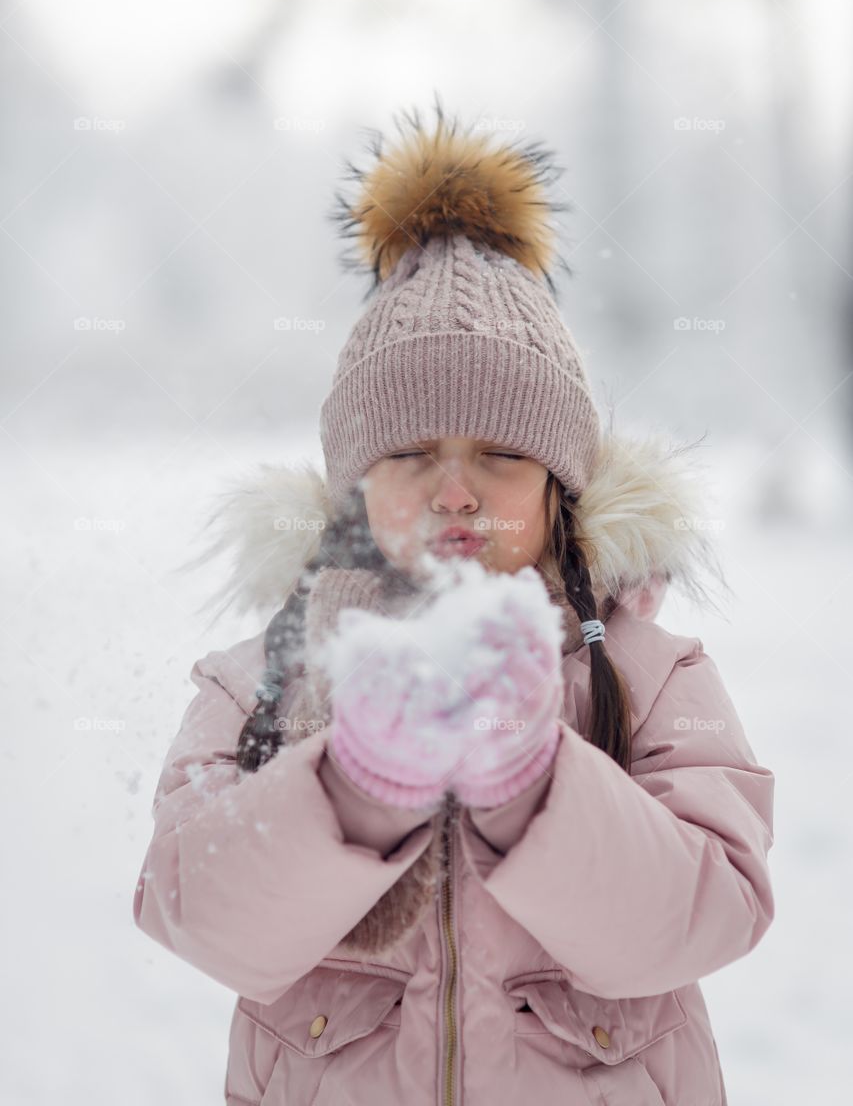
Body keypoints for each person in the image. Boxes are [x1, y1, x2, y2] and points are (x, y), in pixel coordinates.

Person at [133, 102, 774, 1105]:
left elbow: (708, 911)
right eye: (412, 453)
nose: (456, 490)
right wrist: (355, 785)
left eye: (502, 455)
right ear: (353, 484)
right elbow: (197, 909)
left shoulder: (650, 673)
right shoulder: (260, 676)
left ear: (561, 487)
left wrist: (533, 779)